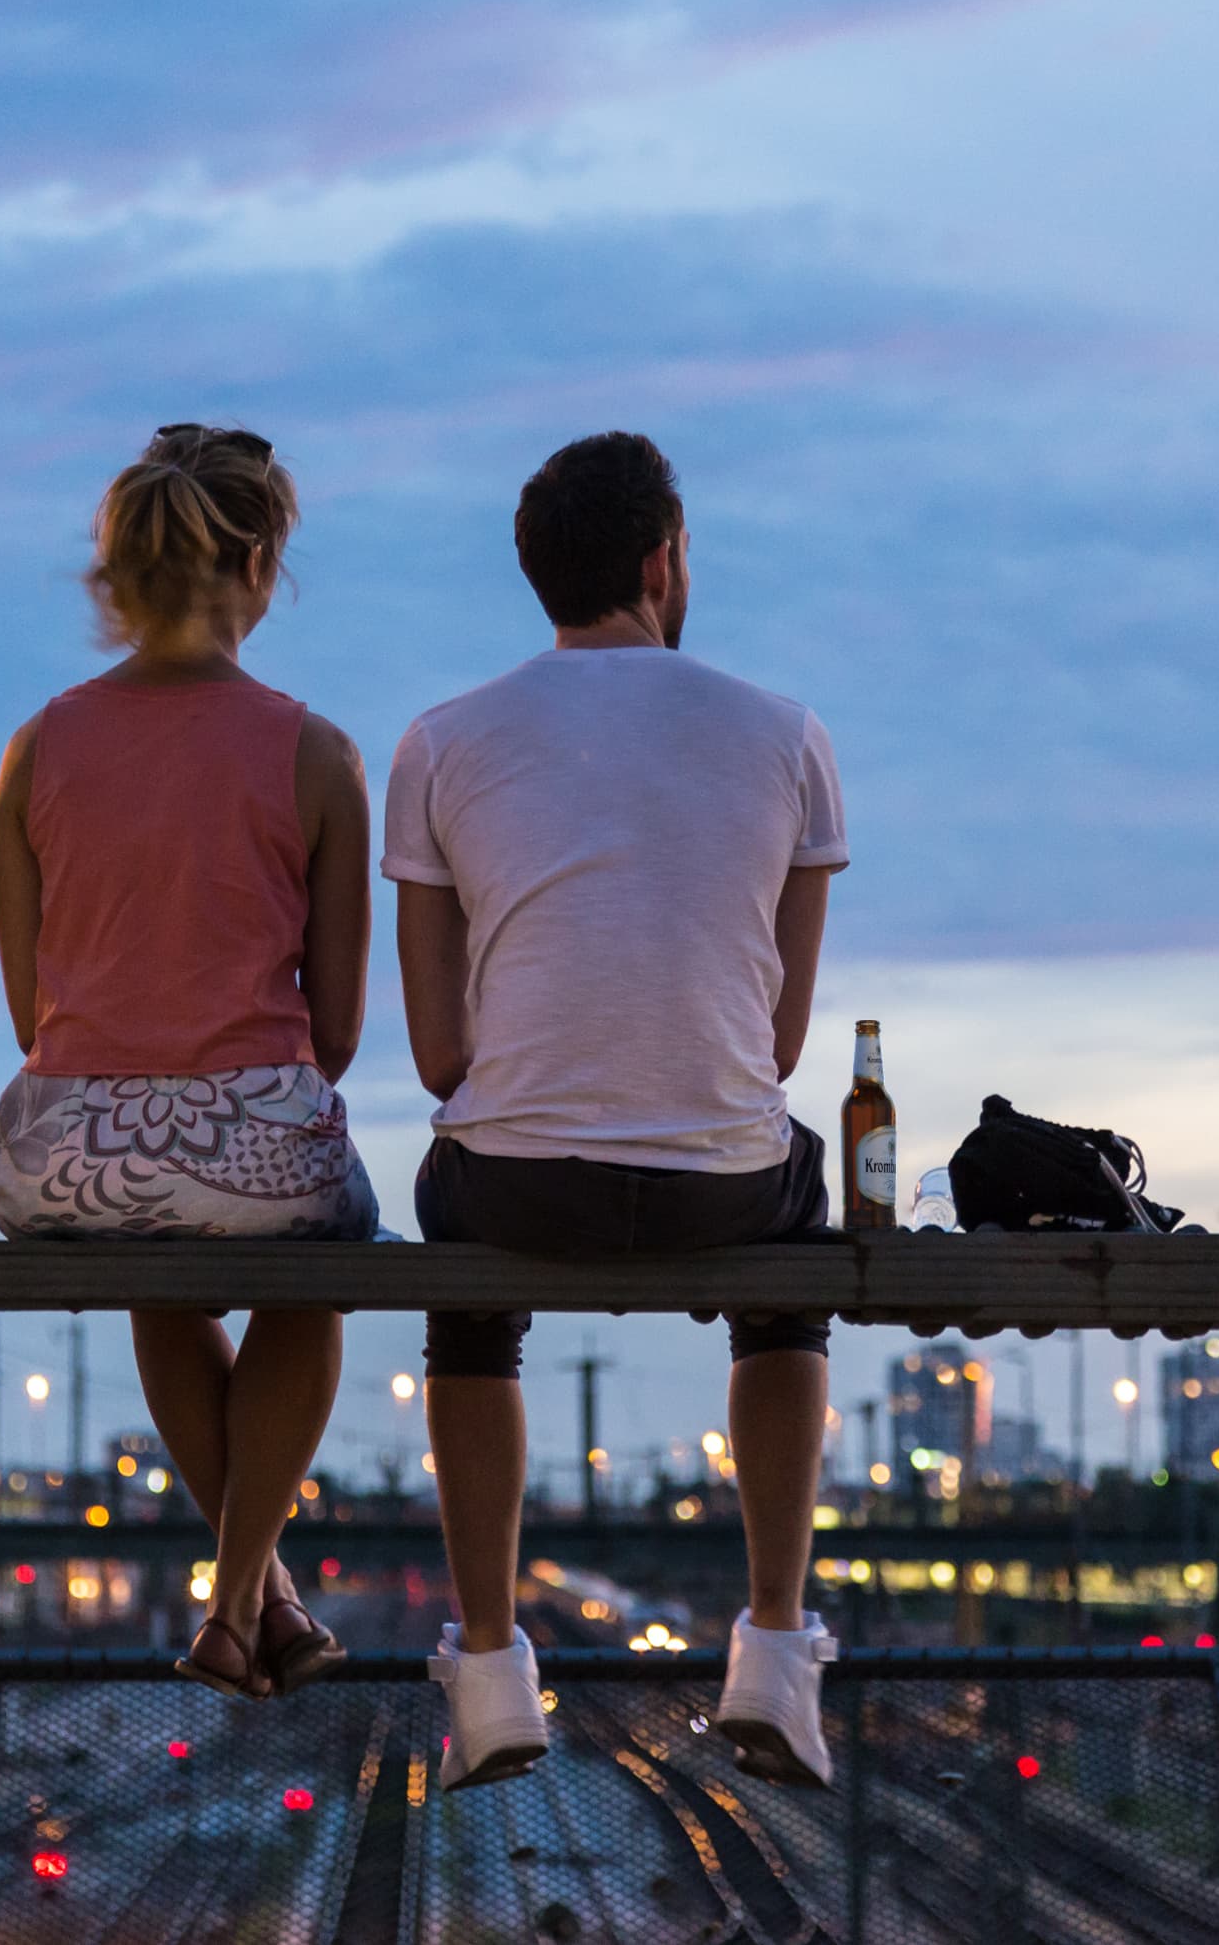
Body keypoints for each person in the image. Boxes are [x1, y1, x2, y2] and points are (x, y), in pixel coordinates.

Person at [383, 430, 848, 1791]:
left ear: (542, 579)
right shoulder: (788, 736)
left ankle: (487, 1667)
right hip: (721, 1179)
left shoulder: (438, 742)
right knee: (795, 1237)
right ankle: (770, 1644)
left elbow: (435, 1055)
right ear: (662, 558)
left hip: (518, 1183)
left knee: (464, 1272)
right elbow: (773, 1041)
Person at [0, 424, 376, 1701]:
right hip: (251, 1140)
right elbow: (338, 1038)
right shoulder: (315, 754)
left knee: (156, 1252)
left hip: (65, 1154)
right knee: (316, 1263)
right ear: (260, 567)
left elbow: (29, 1007)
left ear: (119, 576)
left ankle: (254, 1605)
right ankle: (240, 1593)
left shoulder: (35, 750)